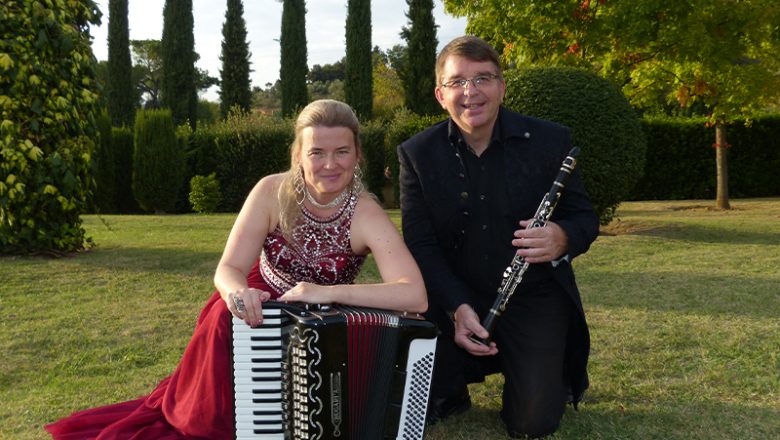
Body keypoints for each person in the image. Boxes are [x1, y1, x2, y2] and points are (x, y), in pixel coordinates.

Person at [46, 99, 427, 440]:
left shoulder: (367, 212)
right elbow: (228, 267)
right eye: (317, 152)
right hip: (256, 303)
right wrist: (235, 293)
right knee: (219, 327)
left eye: (342, 151)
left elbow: (414, 294)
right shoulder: (269, 191)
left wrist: (326, 292)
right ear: (298, 155)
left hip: (322, 316)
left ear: (358, 154)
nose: (330, 164)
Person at [397, 36, 599, 439]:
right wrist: (456, 307)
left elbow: (584, 218)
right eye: (457, 82)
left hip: (532, 295)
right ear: (440, 94)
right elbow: (421, 244)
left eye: (483, 78)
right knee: (417, 401)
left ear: (502, 87)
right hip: (456, 295)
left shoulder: (550, 140)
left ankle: (538, 367)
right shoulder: (417, 153)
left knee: (532, 424)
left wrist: (562, 236)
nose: (471, 92)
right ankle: (456, 385)